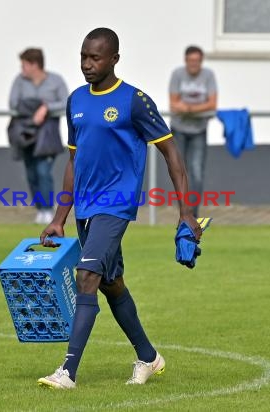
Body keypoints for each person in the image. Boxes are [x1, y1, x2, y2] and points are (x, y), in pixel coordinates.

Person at [36, 28, 202, 389]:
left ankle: (67, 372)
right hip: (85, 208)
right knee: (111, 284)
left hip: (117, 204)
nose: (87, 64)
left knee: (87, 276)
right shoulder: (76, 100)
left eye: (95, 58)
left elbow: (172, 154)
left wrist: (185, 212)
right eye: (83, 56)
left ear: (114, 59)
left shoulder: (134, 101)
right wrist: (59, 218)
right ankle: (148, 357)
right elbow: (72, 163)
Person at [9, 48, 68, 225]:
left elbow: (66, 102)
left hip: (47, 133)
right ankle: (39, 209)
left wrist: (46, 108)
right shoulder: (19, 81)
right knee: (31, 172)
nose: (22, 69)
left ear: (35, 65)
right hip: (26, 132)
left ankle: (48, 210)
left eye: (24, 65)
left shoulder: (55, 81)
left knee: (44, 171)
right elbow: (13, 102)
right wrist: (32, 109)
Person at [169, 45, 217, 217]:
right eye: (191, 60)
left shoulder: (208, 76)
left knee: (196, 172)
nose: (194, 64)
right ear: (186, 60)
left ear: (201, 61)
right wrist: (198, 108)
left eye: (197, 61)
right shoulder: (177, 75)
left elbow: (212, 104)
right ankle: (183, 209)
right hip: (178, 129)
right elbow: (174, 104)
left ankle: (193, 214)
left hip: (199, 130)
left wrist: (188, 108)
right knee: (179, 171)